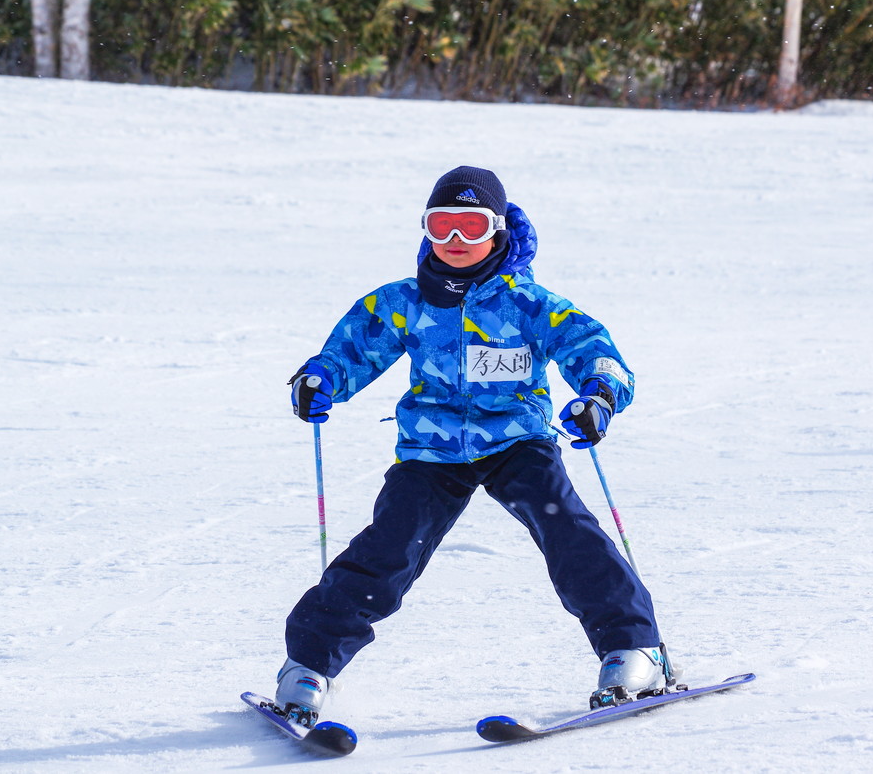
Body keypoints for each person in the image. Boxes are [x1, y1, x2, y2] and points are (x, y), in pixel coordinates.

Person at [275, 166, 674, 726]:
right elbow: (349, 352)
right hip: (430, 452)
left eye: (472, 226)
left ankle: (634, 650)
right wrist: (321, 379)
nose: (456, 242)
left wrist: (599, 395)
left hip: (517, 442)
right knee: (388, 549)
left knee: (569, 533)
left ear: (499, 231)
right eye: (442, 227)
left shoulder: (531, 305)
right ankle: (308, 667)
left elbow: (595, 351)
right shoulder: (404, 302)